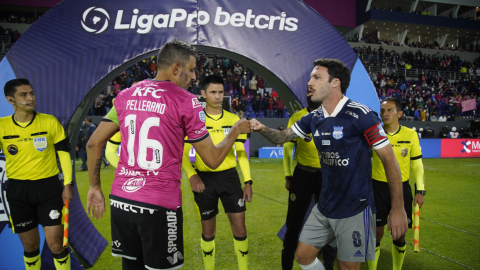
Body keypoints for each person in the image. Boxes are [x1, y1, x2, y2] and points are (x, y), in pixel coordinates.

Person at [85, 39, 250, 270]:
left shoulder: (126, 95)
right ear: (176, 68)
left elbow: (93, 144)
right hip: (159, 205)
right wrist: (234, 132)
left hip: (122, 200)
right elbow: (212, 160)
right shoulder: (187, 101)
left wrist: (94, 186)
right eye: (191, 70)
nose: (194, 77)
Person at [250, 58, 407, 270]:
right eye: (311, 77)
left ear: (335, 83)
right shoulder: (313, 118)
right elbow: (282, 137)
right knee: (303, 256)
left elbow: (389, 159)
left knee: (347, 267)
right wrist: (259, 127)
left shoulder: (361, 114)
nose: (309, 82)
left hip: (355, 208)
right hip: (324, 206)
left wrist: (398, 208)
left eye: (316, 77)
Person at [0, 78, 73, 270]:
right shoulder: (2, 126)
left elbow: (64, 155)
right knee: (30, 245)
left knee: (56, 245)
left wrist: (67, 184)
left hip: (49, 189)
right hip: (18, 191)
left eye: (32, 93)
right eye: (24, 95)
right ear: (10, 100)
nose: (30, 98)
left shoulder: (49, 122)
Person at [181, 75, 252, 270]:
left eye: (221, 92)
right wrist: (192, 175)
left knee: (240, 228)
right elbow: (183, 154)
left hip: (230, 178)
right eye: (213, 92)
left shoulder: (234, 120)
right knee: (208, 230)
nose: (218, 96)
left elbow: (241, 153)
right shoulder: (194, 120)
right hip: (204, 180)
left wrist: (248, 181)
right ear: (203, 94)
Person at [368, 97, 425, 270]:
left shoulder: (410, 134)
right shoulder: (373, 133)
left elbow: (417, 163)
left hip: (402, 190)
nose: (385, 114)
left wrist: (420, 190)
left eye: (389, 110)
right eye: (383, 110)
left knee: (399, 234)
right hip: (377, 188)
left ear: (399, 114)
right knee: (376, 233)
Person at [282, 89, 336, 270]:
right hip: (302, 175)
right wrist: (288, 175)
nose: (311, 94)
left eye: (315, 91)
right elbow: (288, 148)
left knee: (329, 222)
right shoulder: (297, 117)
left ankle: (328, 265)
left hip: (327, 176)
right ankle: (286, 266)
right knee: (293, 223)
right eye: (309, 92)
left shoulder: (333, 117)